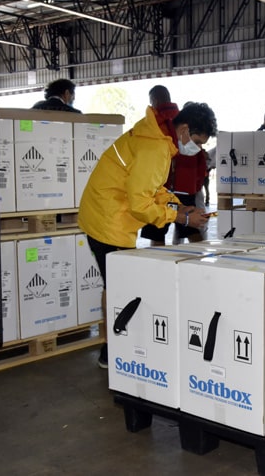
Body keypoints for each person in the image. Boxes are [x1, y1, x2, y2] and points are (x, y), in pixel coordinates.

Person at [78, 101, 217, 368]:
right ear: (184, 130)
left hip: (109, 213)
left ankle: (115, 344)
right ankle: (111, 349)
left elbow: (152, 188)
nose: (198, 149)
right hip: (108, 220)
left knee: (117, 283)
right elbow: (141, 204)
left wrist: (179, 205)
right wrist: (182, 217)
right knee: (118, 286)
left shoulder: (157, 138)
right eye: (198, 142)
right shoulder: (155, 147)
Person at [139, 86, 208, 246]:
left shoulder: (158, 124)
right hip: (187, 188)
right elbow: (200, 162)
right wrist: (196, 186)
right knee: (192, 229)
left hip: (163, 188)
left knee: (157, 233)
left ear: (154, 100)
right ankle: (199, 258)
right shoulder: (186, 121)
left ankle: (158, 261)